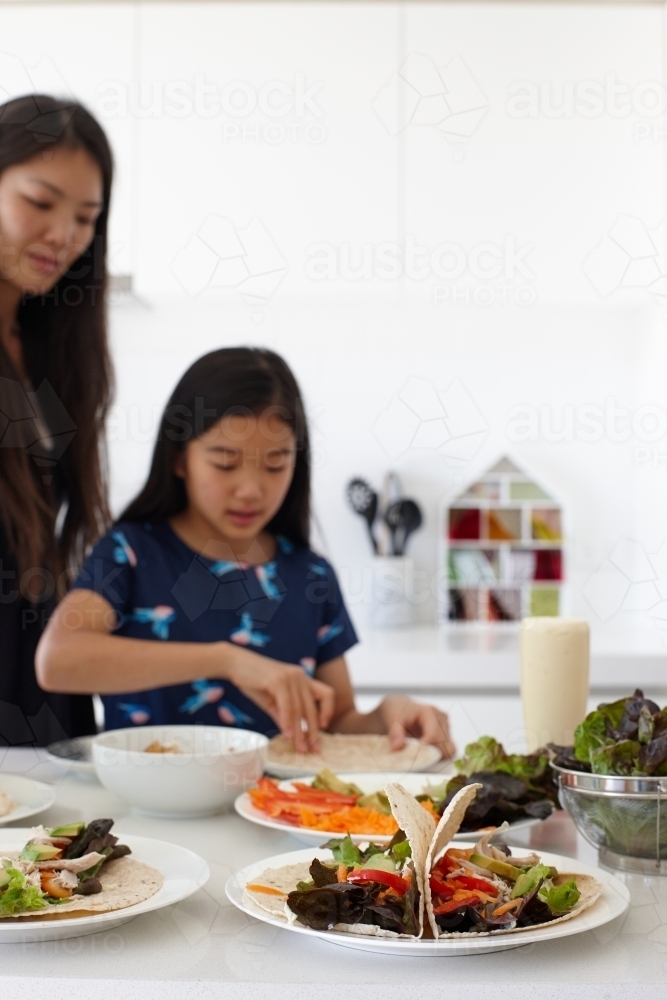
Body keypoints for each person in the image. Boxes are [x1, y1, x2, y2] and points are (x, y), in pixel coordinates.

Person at [36, 348, 455, 757]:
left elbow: (338, 718)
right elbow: (57, 660)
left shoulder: (311, 576)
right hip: (148, 817)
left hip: (274, 814)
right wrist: (228, 661)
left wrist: (387, 716)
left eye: (275, 464)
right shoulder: (130, 553)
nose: (252, 490)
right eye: (225, 462)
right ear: (180, 459)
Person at [0, 95, 114, 746]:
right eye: (40, 203)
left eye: (86, 217)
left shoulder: (47, 344)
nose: (64, 234)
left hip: (38, 683)